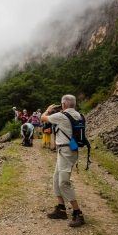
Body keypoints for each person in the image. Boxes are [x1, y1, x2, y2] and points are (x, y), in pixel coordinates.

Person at [41, 94, 85, 227]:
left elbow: (43, 118)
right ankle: (61, 208)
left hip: (66, 152)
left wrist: (48, 110)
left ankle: (78, 213)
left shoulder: (61, 116)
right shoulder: (79, 115)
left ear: (64, 104)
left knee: (63, 182)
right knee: (56, 178)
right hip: (69, 150)